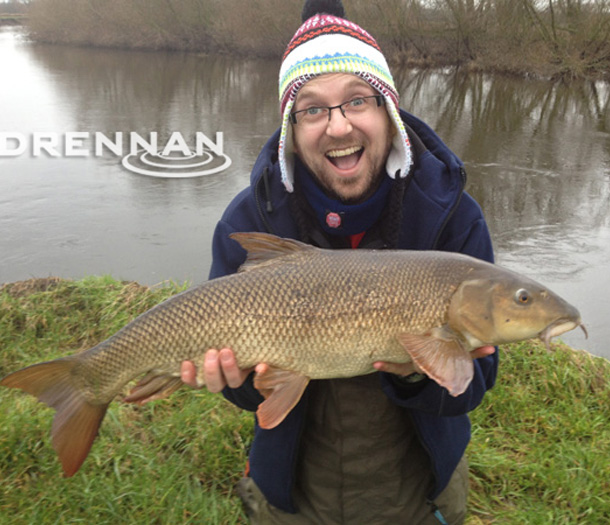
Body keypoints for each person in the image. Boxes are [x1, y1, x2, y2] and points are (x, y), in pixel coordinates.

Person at [181, 1, 498, 523]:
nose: (338, 126)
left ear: (388, 113)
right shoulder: (250, 218)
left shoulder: (451, 217)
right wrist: (235, 380)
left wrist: (419, 372)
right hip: (293, 486)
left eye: (358, 100)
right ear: (292, 125)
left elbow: (476, 382)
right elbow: (247, 396)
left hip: (417, 488)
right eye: (312, 108)